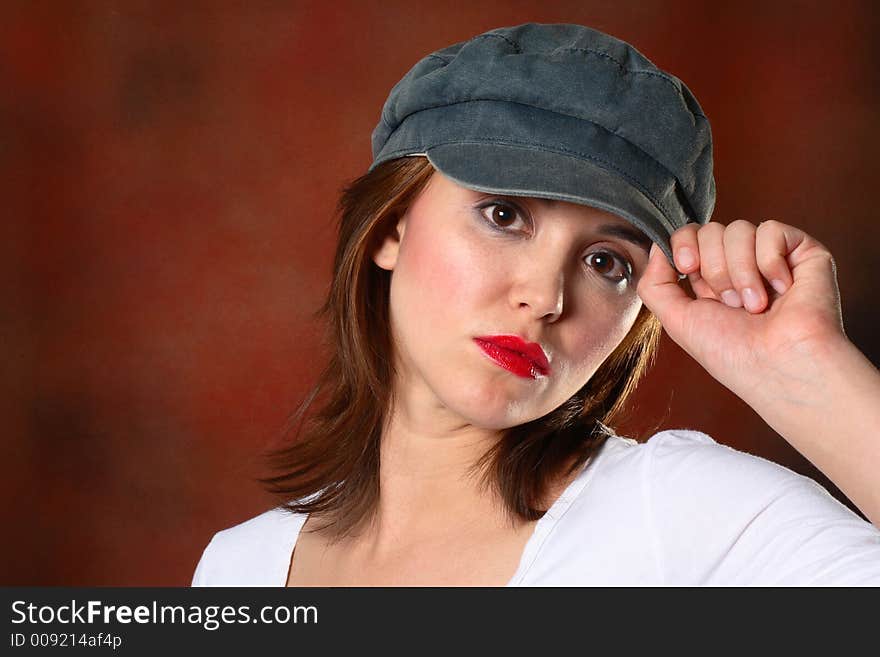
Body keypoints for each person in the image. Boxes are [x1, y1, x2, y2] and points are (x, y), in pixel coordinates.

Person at [192, 23, 880, 586]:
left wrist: (811, 372)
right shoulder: (238, 568)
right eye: (503, 214)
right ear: (392, 226)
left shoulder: (682, 517)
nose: (546, 297)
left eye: (606, 261)